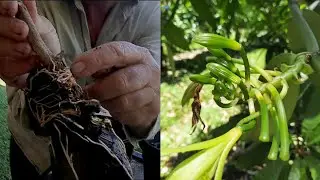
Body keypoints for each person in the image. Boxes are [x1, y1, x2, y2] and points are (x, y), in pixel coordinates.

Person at [0, 0, 160, 179]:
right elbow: (22, 102)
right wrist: (37, 76)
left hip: (107, 157)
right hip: (34, 156)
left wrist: (147, 112)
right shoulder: (32, 4)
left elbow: (154, 104)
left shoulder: (153, 11)